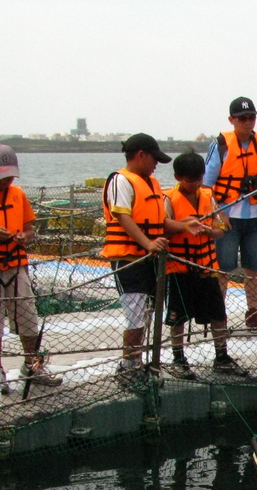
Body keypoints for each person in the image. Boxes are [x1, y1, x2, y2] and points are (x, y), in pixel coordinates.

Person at [102, 133, 210, 384]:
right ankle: (128, 366)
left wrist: (184, 226)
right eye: (154, 159)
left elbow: (160, 222)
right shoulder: (120, 181)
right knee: (136, 314)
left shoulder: (151, 184)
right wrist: (148, 243)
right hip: (129, 260)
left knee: (148, 313)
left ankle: (140, 363)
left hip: (149, 261)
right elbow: (122, 216)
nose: (156, 165)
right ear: (141, 155)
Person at [0, 144, 62, 394]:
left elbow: (30, 228)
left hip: (16, 265)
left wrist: (25, 236)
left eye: (10, 175)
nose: (6, 180)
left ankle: (31, 365)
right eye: (1, 175)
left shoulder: (18, 194)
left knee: (28, 319)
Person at [162, 150, 245, 377]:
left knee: (219, 314)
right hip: (179, 269)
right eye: (191, 180)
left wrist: (209, 231)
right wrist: (185, 224)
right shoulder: (169, 199)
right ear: (179, 177)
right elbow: (163, 229)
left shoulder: (208, 196)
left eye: (200, 179)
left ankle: (222, 357)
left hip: (207, 268)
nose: (196, 184)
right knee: (177, 317)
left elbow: (220, 230)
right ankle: (178, 358)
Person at [203, 97, 257, 329]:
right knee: (222, 270)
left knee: (254, 270)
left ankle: (252, 313)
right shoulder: (220, 146)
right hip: (227, 221)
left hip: (255, 220)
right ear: (232, 120)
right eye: (243, 118)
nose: (248, 122)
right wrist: (219, 214)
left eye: (252, 117)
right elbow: (207, 186)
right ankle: (220, 315)